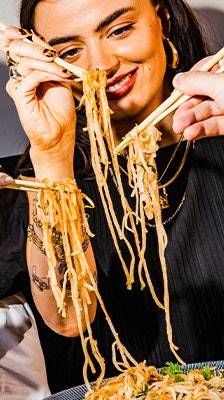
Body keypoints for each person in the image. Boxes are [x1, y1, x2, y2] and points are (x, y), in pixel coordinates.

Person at [0, 0, 224, 395]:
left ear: (162, 19)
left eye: (120, 30)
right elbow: (70, 318)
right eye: (69, 51)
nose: (101, 65)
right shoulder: (29, 182)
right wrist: (53, 152)